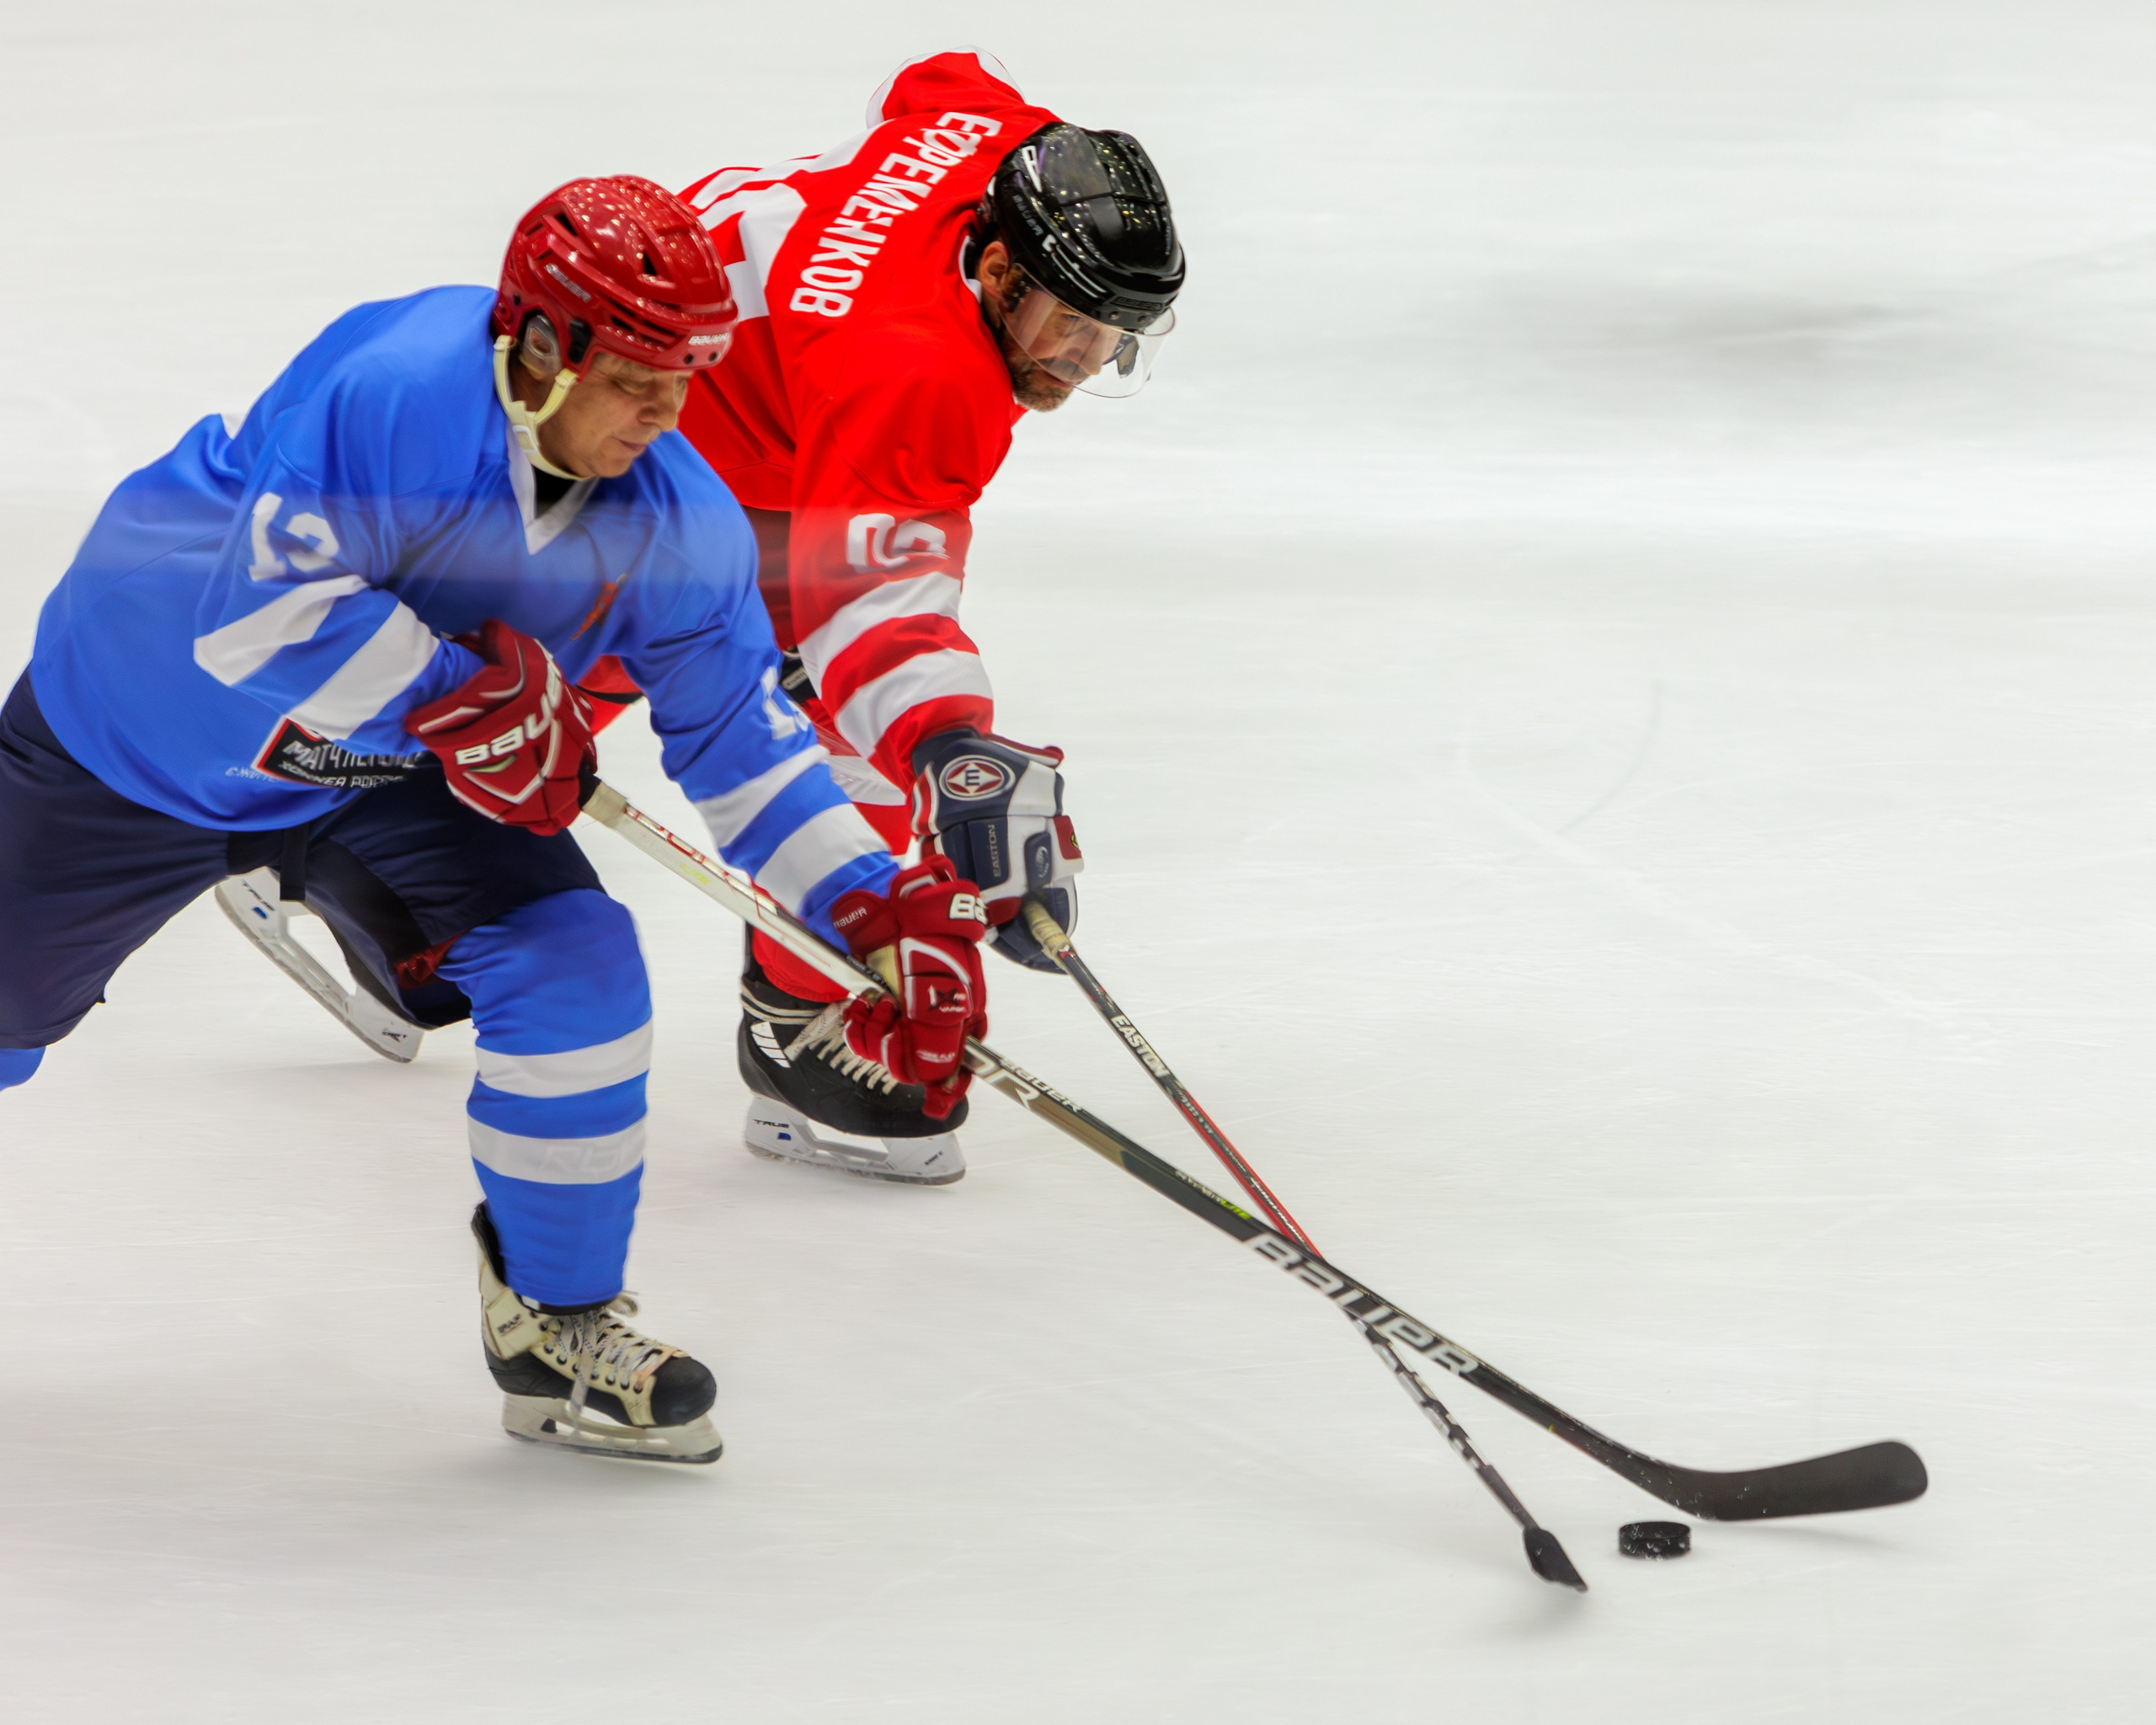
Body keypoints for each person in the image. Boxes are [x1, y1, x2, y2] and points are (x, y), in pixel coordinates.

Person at [0, 176, 990, 1462]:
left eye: (686, 376)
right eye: (636, 375)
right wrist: (456, 693)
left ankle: (557, 1326)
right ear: (540, 346)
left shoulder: (677, 520)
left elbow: (742, 744)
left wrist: (863, 907)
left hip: (376, 775)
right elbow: (255, 620)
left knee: (577, 972)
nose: (664, 413)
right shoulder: (399, 382)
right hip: (130, 737)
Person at [590, 48, 1185, 1183]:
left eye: (1113, 339)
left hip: (749, 411)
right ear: (999, 268)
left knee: (648, 668)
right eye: (1067, 324)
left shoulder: (1010, 143)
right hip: (671, 433)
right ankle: (795, 1029)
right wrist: (950, 746)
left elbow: (938, 81)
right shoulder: (917, 370)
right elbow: (875, 602)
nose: (1078, 360)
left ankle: (343, 824)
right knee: (812, 734)